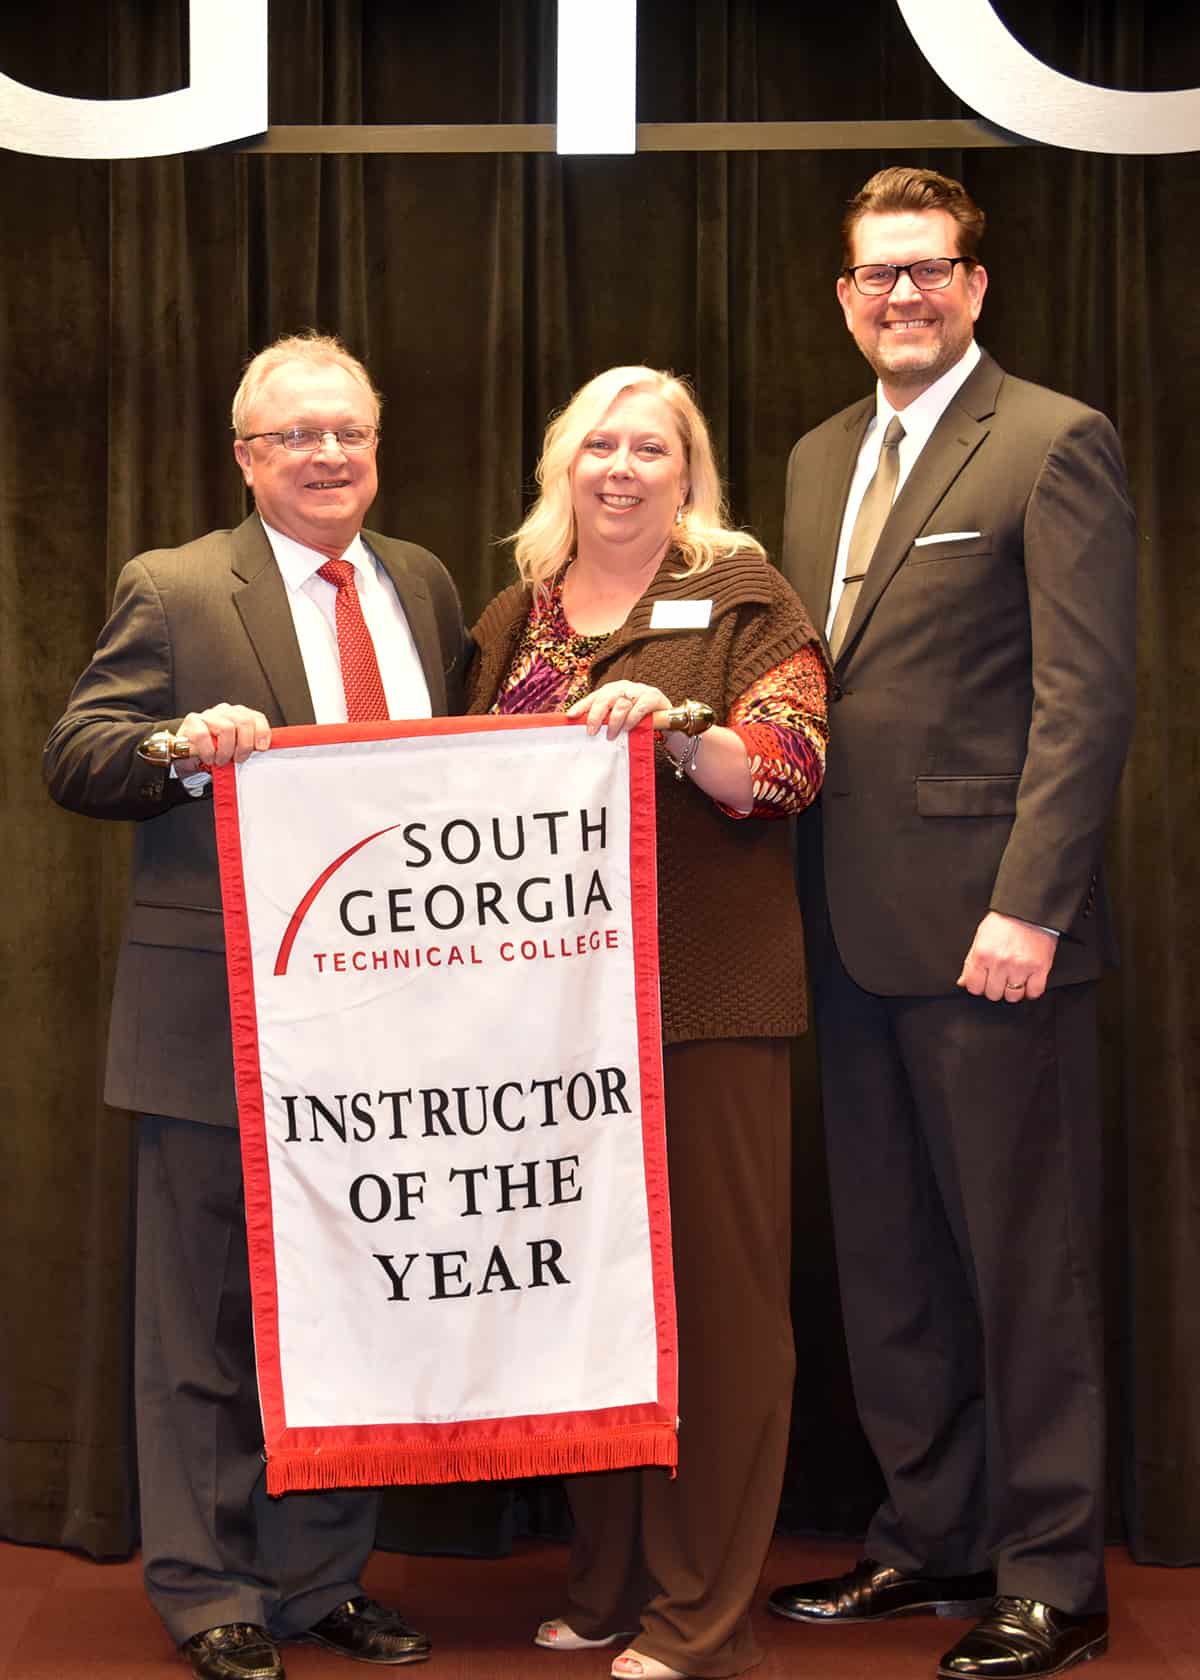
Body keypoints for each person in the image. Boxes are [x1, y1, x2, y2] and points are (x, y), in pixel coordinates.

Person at [44, 332, 470, 1680]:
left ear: (378, 445)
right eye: (298, 436)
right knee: (204, 1327)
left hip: (392, 1031)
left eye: (350, 432)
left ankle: (318, 1576)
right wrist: (177, 749)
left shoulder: (423, 582)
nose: (329, 456)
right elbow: (78, 753)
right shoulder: (173, 590)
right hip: (212, 1025)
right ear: (247, 455)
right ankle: (208, 1588)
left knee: (358, 1311)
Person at [768, 167, 1136, 1679]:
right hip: (841, 934)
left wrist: (1031, 907)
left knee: (1022, 1264)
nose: (901, 295)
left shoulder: (1052, 442)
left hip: (995, 942)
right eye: (875, 275)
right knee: (893, 1264)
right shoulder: (812, 457)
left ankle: (1055, 1570)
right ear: (843, 297)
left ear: (976, 286)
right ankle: (932, 1538)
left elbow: (1087, 697)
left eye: (928, 270)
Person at [468, 365, 828, 1680]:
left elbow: (786, 763)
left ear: (690, 473)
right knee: (587, 1300)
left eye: (652, 447)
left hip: (706, 1004)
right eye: (598, 444)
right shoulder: (517, 614)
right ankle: (613, 1581)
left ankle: (701, 1615)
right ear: (566, 465)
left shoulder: (741, 595)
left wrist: (682, 737)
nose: (622, 466)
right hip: (553, 1018)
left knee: (721, 1313)